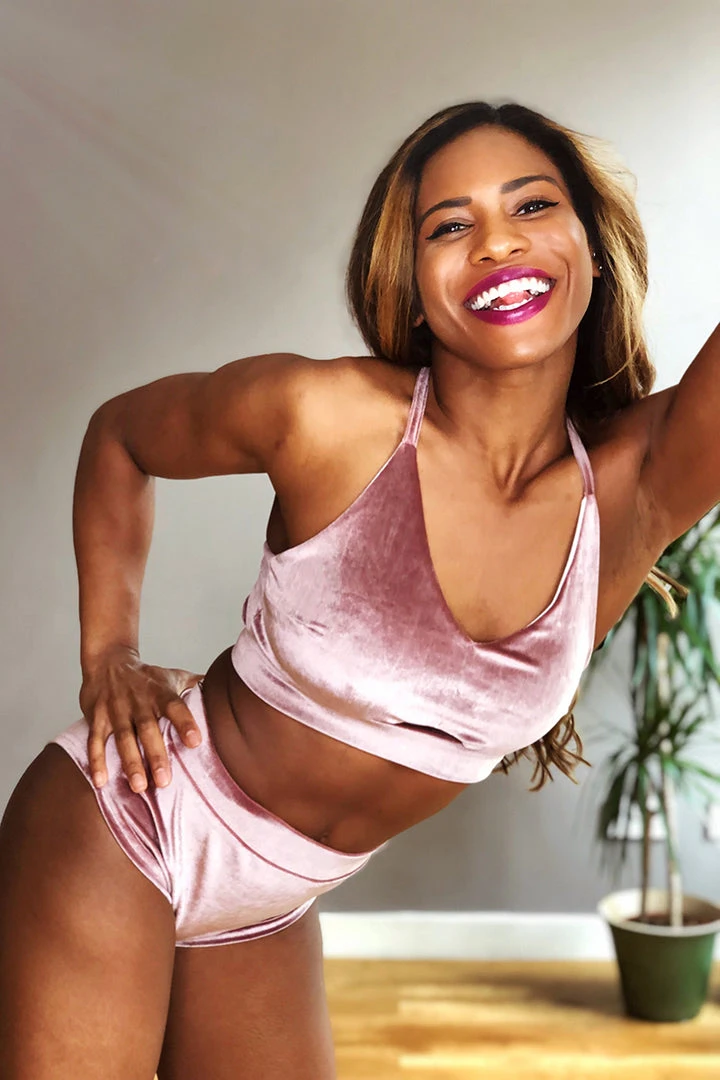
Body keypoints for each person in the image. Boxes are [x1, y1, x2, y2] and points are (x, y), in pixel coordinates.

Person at [0, 99, 717, 1079]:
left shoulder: (638, 489)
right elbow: (122, 437)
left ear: (592, 249)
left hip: (271, 903)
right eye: (451, 225)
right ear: (413, 289)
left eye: (532, 206)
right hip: (130, 819)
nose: (497, 242)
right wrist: (107, 654)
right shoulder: (326, 416)